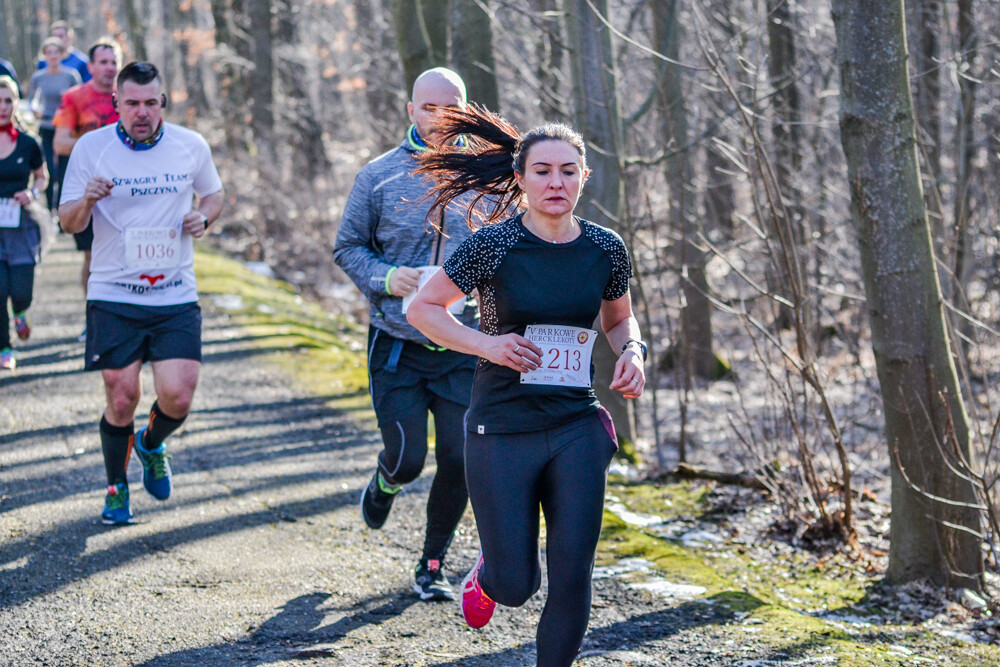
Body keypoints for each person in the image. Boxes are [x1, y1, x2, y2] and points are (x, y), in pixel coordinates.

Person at [406, 106, 647, 666]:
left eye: (568, 171)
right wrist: (485, 344)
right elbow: (424, 309)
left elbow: (617, 319)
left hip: (574, 425)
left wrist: (632, 351)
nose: (555, 182)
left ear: (584, 177)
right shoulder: (494, 246)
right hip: (502, 426)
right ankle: (488, 578)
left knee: (572, 573)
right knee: (517, 584)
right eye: (542, 171)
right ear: (521, 178)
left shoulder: (606, 248)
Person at [333, 67, 481, 602]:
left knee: (462, 459)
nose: (441, 119)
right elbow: (348, 247)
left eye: (452, 107)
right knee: (408, 457)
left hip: (466, 345)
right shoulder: (378, 176)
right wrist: (387, 278)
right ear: (411, 111)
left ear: (468, 109)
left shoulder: (493, 178)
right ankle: (386, 481)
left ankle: (432, 564)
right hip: (397, 343)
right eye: (429, 108)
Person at [58, 61, 224, 525]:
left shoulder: (190, 146)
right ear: (116, 103)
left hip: (174, 293)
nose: (142, 112)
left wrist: (204, 218)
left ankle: (150, 444)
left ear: (163, 103)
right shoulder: (91, 150)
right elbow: (67, 220)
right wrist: (87, 200)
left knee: (179, 397)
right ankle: (116, 487)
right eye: (132, 103)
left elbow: (214, 195)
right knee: (121, 396)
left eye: (151, 102)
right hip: (114, 292)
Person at [53, 39, 120, 338]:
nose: (109, 68)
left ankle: (125, 317)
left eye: (114, 62)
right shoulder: (74, 97)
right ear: (90, 66)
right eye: (103, 62)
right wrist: (96, 148)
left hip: (127, 189)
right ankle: (93, 316)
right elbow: (60, 142)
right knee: (93, 255)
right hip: (87, 189)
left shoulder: (131, 98)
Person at [0, 76, 48, 371]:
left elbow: (43, 177)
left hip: (21, 228)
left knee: (21, 291)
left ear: (16, 104)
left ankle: (21, 312)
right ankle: (5, 347)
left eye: (8, 101)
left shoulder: (29, 143)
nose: (2, 107)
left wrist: (31, 192)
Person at [27, 37, 81, 211]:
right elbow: (30, 100)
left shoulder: (70, 75)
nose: (53, 56)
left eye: (56, 52)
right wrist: (34, 110)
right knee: (49, 168)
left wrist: (69, 97)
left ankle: (64, 208)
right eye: (49, 53)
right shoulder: (39, 77)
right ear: (44, 55)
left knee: (65, 170)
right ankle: (51, 209)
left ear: (61, 54)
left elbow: (80, 99)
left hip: (66, 127)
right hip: (47, 125)